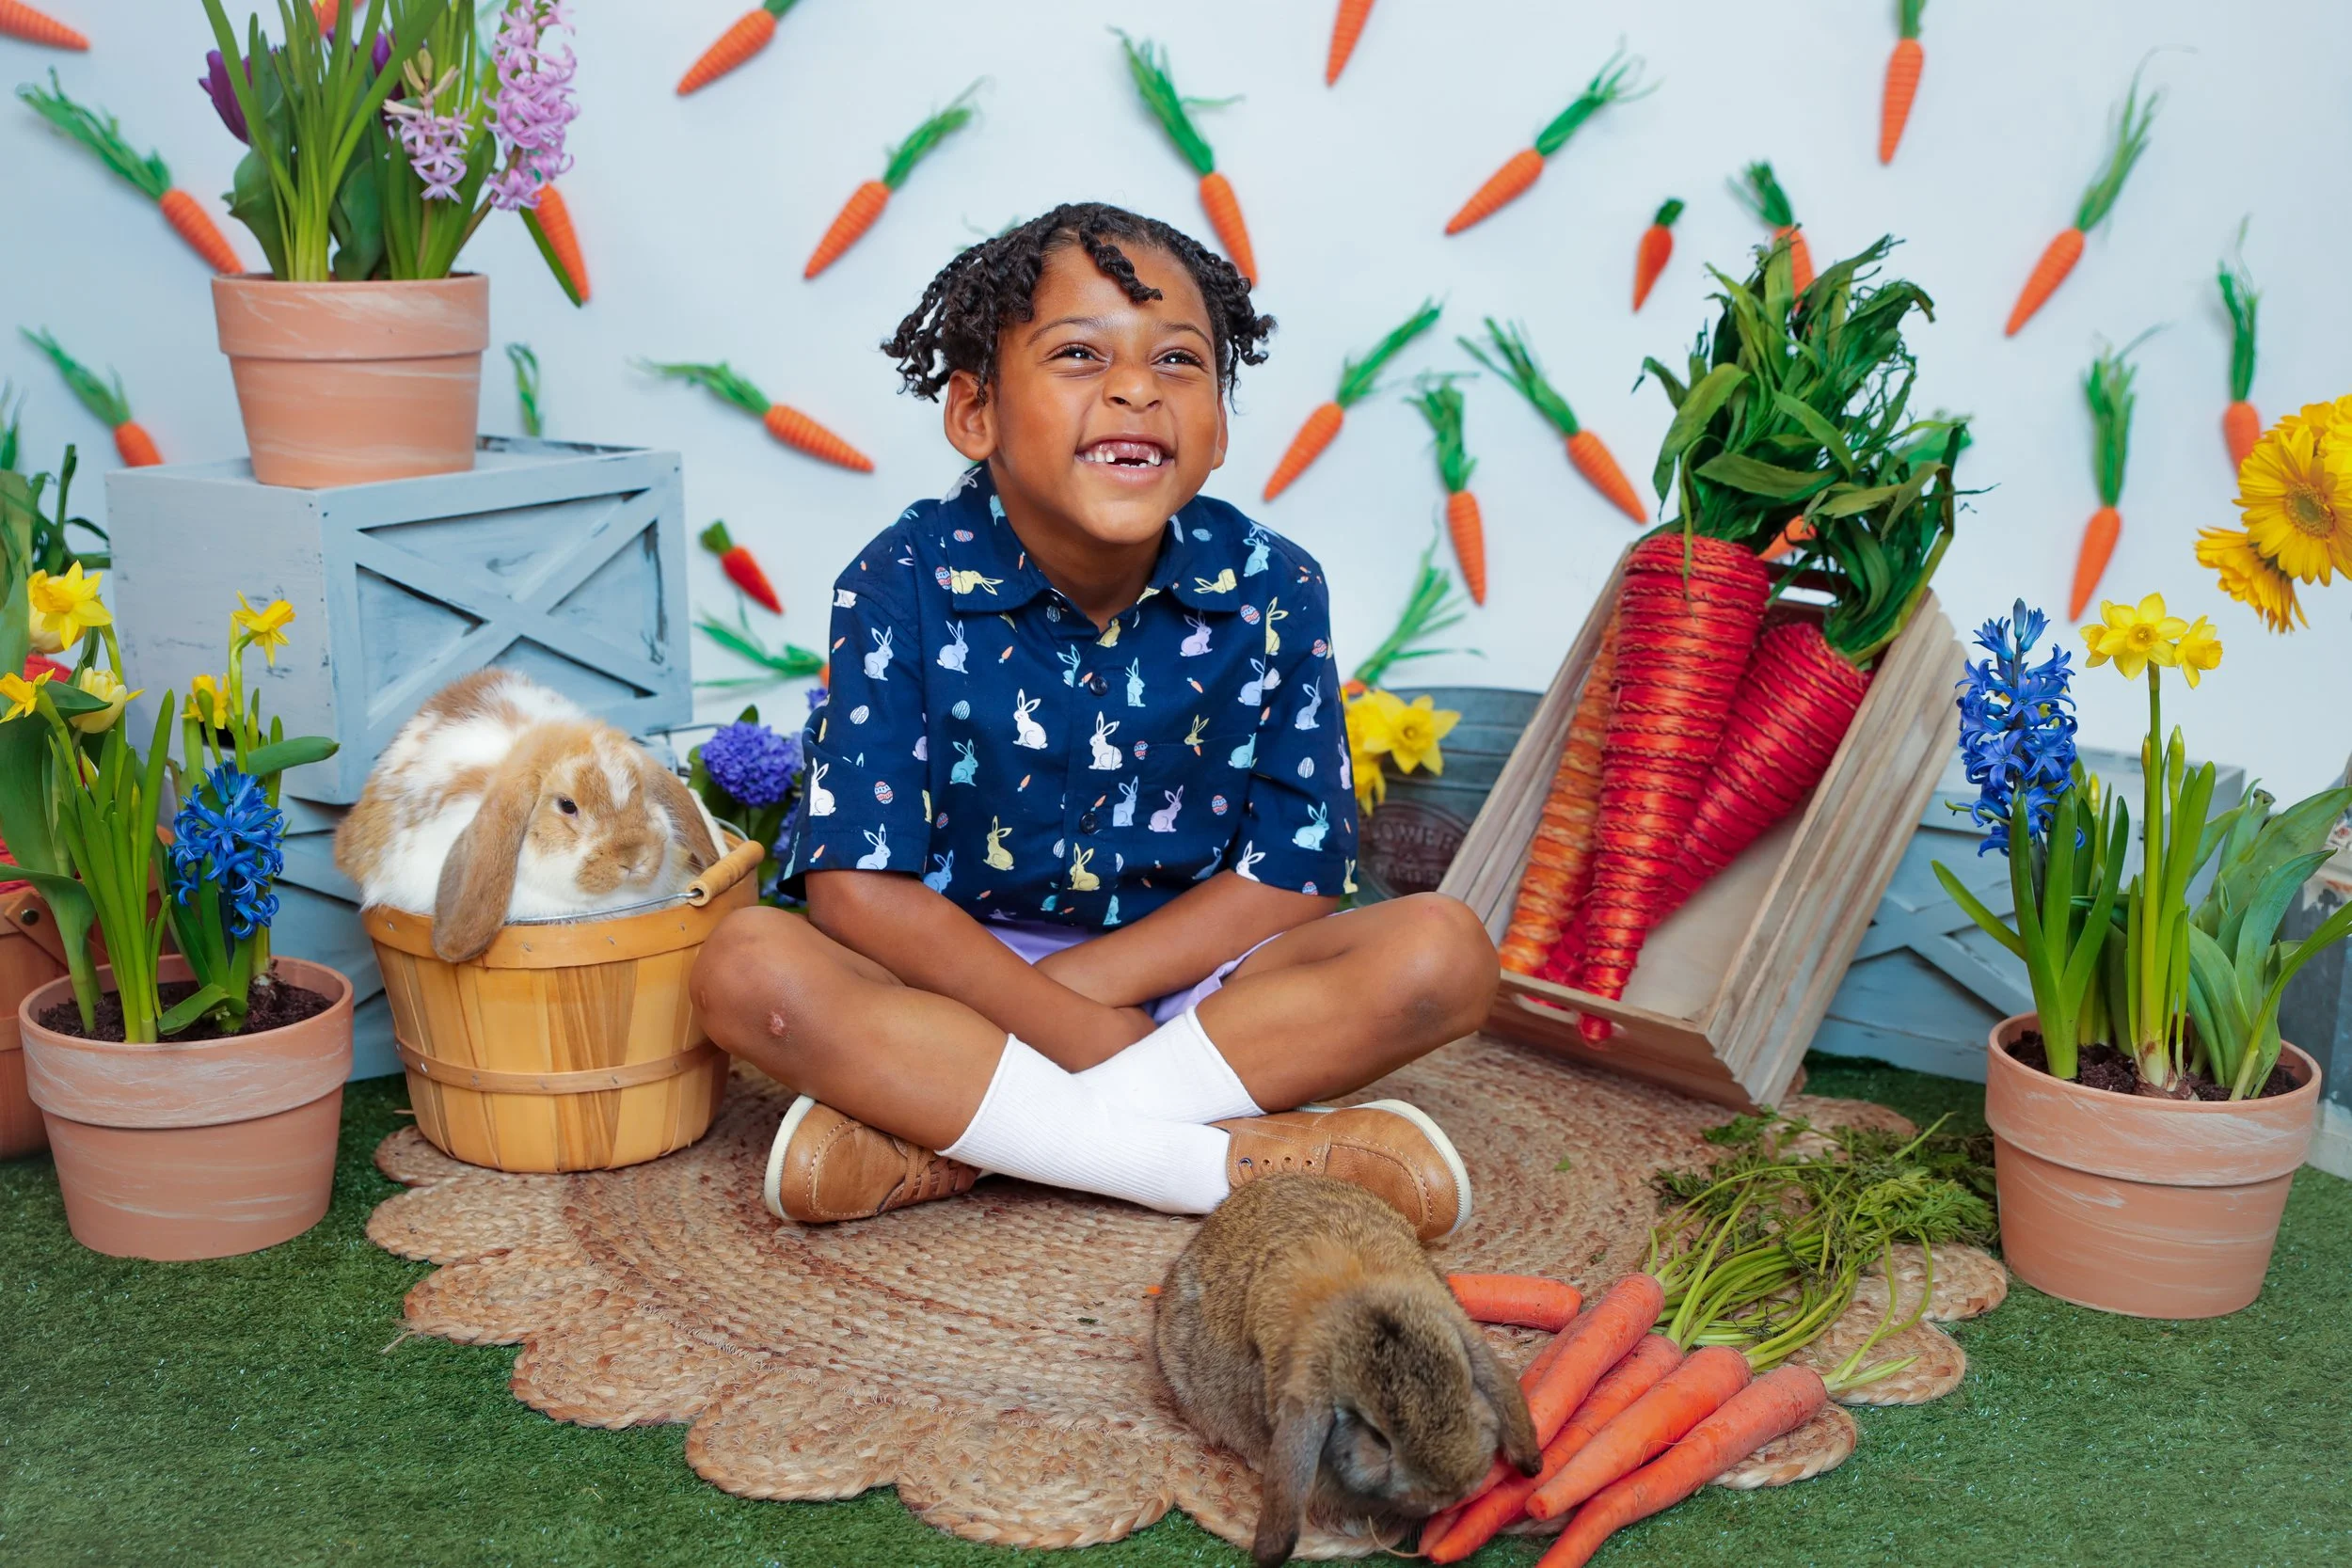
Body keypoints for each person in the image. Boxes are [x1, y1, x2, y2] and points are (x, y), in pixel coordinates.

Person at [691, 202, 1500, 1241]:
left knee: (1442, 951)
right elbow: (857, 884)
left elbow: (1293, 867)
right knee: (746, 965)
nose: (1134, 387)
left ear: (1217, 425)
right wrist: (1055, 1020)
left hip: (1200, 995)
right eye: (1078, 353)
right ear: (975, 414)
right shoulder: (900, 578)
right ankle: (1219, 1164)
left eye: (1178, 361)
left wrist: (1078, 1002)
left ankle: (949, 1145)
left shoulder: (1274, 585)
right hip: (947, 986)